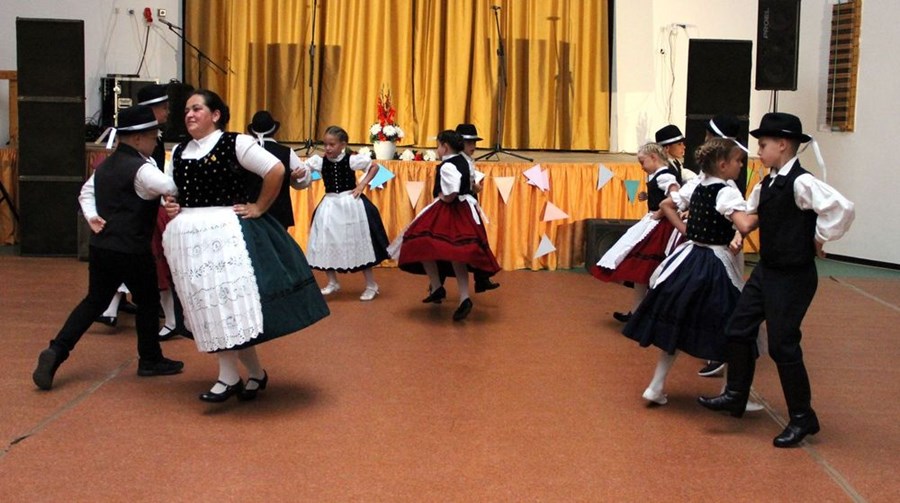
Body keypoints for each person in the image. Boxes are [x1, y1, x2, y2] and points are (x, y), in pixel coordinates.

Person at [698, 112, 855, 448]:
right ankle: (736, 394)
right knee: (738, 327)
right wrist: (730, 220)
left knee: (783, 345)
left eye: (763, 145)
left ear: (782, 145)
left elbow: (842, 208)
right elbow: (750, 216)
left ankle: (802, 417)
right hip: (767, 271)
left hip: (794, 276)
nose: (757, 151)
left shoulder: (801, 182)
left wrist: (818, 237)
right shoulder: (767, 183)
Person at [162, 89, 329, 402]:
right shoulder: (180, 151)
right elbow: (173, 191)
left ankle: (228, 377)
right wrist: (171, 204)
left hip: (225, 235)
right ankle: (256, 373)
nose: (189, 115)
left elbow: (275, 170)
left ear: (215, 115)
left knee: (225, 305)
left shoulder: (235, 142)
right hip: (191, 238)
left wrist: (259, 207)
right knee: (212, 305)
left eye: (196, 109)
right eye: (186, 111)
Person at [32, 105, 184, 390]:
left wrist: (92, 217)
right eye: (153, 137)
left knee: (94, 301)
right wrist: (171, 195)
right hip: (133, 248)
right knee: (148, 301)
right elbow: (170, 186)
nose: (155, 142)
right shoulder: (142, 169)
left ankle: (56, 350)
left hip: (102, 246)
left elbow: (85, 192)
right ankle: (150, 359)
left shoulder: (106, 165)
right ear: (137, 138)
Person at [622, 138, 755, 406]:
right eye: (738, 161)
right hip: (715, 264)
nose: (741, 166)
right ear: (723, 164)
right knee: (734, 324)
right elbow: (744, 225)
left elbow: (666, 205)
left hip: (689, 258)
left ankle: (656, 385)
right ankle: (732, 392)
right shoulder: (727, 192)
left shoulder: (697, 186)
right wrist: (768, 207)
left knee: (679, 321)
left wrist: (687, 231)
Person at [392, 130, 501, 321]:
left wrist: (444, 197)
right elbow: (471, 183)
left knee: (421, 241)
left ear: (445, 147)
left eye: (438, 146)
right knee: (456, 255)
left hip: (451, 210)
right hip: (466, 209)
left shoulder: (447, 166)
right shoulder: (465, 161)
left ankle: (441, 287)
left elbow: (451, 192)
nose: (437, 150)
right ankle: (455, 294)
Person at [592, 143, 681, 323]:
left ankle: (649, 313)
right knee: (642, 271)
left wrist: (661, 212)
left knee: (649, 268)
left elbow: (675, 194)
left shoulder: (665, 175)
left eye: (642, 162)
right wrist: (649, 197)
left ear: (654, 158)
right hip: (653, 223)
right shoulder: (656, 176)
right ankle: (637, 311)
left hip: (661, 227)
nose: (641, 167)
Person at [303, 125, 389, 301]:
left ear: (342, 145)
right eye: (325, 144)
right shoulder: (319, 162)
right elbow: (303, 170)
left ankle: (371, 285)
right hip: (329, 204)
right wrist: (299, 173)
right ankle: (332, 281)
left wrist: (362, 184)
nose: (327, 148)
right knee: (326, 241)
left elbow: (374, 167)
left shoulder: (351, 160)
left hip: (350, 204)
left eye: (332, 144)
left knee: (358, 241)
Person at [134, 83, 191, 340]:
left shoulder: (156, 140)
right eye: (163, 107)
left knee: (161, 267)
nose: (168, 112)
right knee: (156, 267)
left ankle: (173, 318)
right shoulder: (142, 145)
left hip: (155, 208)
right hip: (148, 210)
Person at [697, 113, 745, 377]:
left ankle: (721, 353)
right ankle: (711, 348)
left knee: (722, 302)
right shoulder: (707, 181)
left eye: (708, 135)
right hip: (703, 248)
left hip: (720, 251)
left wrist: (739, 234)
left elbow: (740, 218)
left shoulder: (727, 188)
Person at [246, 110, 310, 230]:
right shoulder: (286, 152)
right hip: (279, 212)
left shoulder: (245, 152)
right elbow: (304, 179)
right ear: (274, 131)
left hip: (248, 210)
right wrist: (291, 179)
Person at [456, 123, 500, 293]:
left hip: (469, 205)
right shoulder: (457, 161)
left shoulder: (468, 160)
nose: (473, 146)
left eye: (474, 142)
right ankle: (436, 285)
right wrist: (472, 188)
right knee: (452, 245)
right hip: (458, 208)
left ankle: (481, 277)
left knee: (477, 239)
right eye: (469, 143)